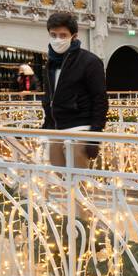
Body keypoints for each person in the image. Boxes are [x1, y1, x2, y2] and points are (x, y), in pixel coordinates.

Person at [41, 11, 108, 169]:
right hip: (56, 130)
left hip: (80, 128)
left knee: (80, 181)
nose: (58, 39)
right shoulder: (50, 64)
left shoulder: (90, 62)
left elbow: (100, 100)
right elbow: (49, 96)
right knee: (57, 178)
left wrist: (94, 137)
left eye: (63, 35)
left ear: (74, 36)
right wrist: (47, 125)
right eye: (53, 34)